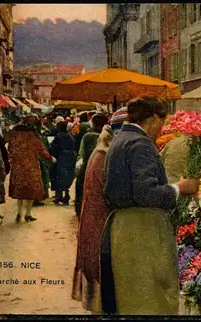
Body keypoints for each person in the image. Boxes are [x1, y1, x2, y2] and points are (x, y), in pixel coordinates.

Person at [100, 97, 200, 315]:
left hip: (124, 229)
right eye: (162, 121)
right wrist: (179, 187)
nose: (162, 128)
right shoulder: (140, 144)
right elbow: (146, 193)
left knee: (131, 297)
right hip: (141, 230)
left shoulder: (120, 139)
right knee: (151, 299)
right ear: (154, 118)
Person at [72, 125, 114, 312]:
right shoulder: (103, 158)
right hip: (99, 221)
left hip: (91, 219)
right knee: (97, 268)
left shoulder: (97, 154)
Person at [8, 115, 56, 222]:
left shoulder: (14, 137)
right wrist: (51, 158)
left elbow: (10, 149)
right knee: (30, 191)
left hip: (17, 167)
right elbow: (42, 150)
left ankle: (19, 212)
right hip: (31, 167)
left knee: (20, 191)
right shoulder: (32, 137)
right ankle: (28, 214)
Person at [74, 113, 109, 217]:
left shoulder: (87, 136)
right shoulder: (109, 136)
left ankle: (81, 213)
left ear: (93, 124)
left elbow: (81, 153)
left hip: (87, 168)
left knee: (82, 192)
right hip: (103, 169)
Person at [49, 121, 76, 206]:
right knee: (68, 177)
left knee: (59, 177)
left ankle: (59, 196)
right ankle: (66, 196)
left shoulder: (59, 136)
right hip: (70, 158)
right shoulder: (70, 136)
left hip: (61, 158)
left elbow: (53, 148)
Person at [34, 116, 52, 206]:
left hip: (34, 160)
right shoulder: (40, 137)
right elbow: (46, 149)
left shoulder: (33, 137)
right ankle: (40, 196)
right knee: (43, 177)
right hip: (41, 160)